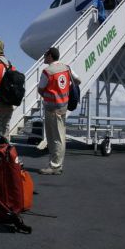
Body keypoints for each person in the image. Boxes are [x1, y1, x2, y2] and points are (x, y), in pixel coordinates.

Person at [37, 47, 81, 175]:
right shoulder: (67, 68)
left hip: (52, 108)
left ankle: (55, 166)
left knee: (54, 138)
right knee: (58, 136)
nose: (44, 57)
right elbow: (78, 80)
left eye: (45, 54)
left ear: (50, 56)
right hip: (62, 107)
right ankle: (55, 164)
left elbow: (41, 89)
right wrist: (66, 89)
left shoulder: (47, 71)